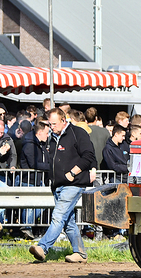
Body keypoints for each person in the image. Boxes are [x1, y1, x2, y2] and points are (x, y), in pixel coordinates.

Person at [28, 108, 96, 264]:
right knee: (68, 221)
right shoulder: (53, 137)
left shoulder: (78, 133)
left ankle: (43, 247)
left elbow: (89, 156)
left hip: (74, 184)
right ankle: (80, 253)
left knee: (58, 216)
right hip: (58, 185)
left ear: (63, 121)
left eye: (54, 124)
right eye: (50, 124)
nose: (51, 127)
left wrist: (73, 173)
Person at [19, 121, 51, 240]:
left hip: (39, 180)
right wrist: (50, 167)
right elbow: (34, 164)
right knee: (30, 206)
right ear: (40, 132)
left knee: (42, 204)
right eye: (47, 133)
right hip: (29, 179)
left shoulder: (41, 144)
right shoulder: (29, 145)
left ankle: (29, 225)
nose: (48, 135)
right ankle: (26, 227)